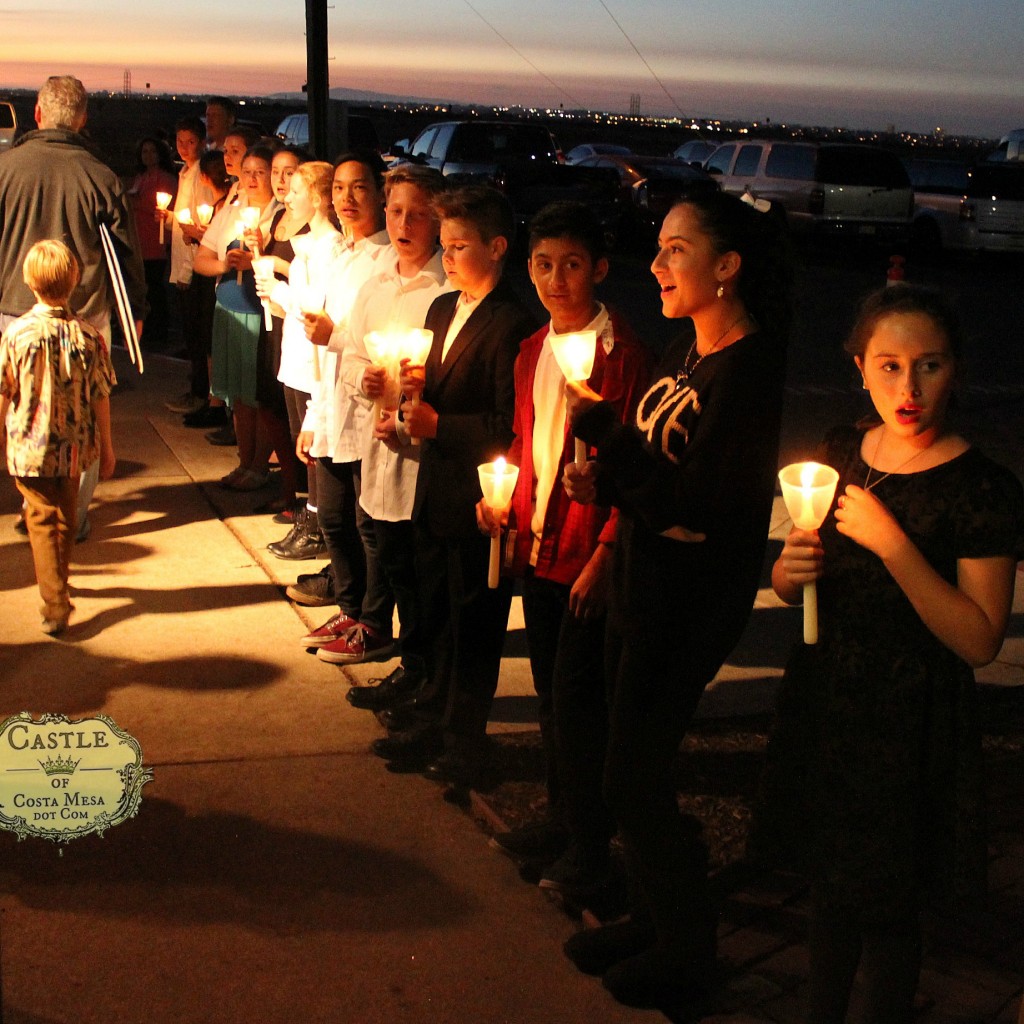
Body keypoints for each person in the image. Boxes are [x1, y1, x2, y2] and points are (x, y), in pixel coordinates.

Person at [758, 284, 1023, 1024]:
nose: (908, 389)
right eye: (889, 366)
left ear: (958, 371)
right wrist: (787, 572)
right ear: (860, 367)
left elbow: (978, 638)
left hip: (911, 725)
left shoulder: (982, 488)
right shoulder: (843, 452)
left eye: (930, 366)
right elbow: (793, 583)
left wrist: (893, 543)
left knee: (890, 911)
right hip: (830, 703)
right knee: (830, 892)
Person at [560, 191, 794, 1011]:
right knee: (624, 766)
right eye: (658, 249)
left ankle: (689, 950)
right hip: (641, 581)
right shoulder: (681, 351)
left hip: (688, 604)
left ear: (727, 267)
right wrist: (608, 475)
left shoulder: (747, 371)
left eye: (676, 250)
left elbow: (696, 503)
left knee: (635, 776)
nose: (656, 265)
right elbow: (652, 477)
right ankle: (654, 919)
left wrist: (610, 442)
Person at [478, 201, 651, 897]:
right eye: (544, 265)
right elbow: (530, 445)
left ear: (600, 270)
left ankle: (591, 845)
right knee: (552, 695)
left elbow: (637, 472)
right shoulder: (532, 351)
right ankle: (560, 816)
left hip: (587, 556)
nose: (556, 281)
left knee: (584, 705)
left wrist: (607, 553)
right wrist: (503, 503)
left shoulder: (626, 358)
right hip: (541, 548)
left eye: (572, 265)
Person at [381, 184, 537, 786]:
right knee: (435, 613)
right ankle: (432, 716)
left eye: (459, 247)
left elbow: (507, 424)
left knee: (474, 621)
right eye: (443, 247)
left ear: (497, 247)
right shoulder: (442, 309)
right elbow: (424, 393)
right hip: (433, 489)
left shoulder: (515, 324)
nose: (447, 259)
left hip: (479, 499)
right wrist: (395, 395)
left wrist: (441, 425)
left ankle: (465, 737)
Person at [320, 164, 451, 682]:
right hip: (380, 449)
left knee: (421, 573)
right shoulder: (375, 286)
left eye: (418, 214)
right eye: (396, 211)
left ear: (437, 220)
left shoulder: (443, 290)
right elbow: (352, 352)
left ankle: (423, 666)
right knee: (389, 554)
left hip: (421, 458)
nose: (404, 224)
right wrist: (365, 382)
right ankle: (402, 650)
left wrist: (408, 396)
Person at [0, 75, 144, 542]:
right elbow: (127, 251)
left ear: (38, 115)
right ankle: (71, 515)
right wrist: (136, 309)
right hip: (85, 313)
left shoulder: (4, 169)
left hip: (15, 310)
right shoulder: (100, 175)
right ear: (83, 120)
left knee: (25, 411)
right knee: (80, 413)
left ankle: (37, 507)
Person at [287, 152, 391, 649]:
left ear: (379, 194)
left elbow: (380, 340)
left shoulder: (387, 258)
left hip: (365, 410)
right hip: (331, 403)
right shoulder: (341, 256)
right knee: (331, 515)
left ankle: (372, 622)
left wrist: (335, 335)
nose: (346, 199)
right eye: (340, 189)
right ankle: (349, 609)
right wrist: (313, 414)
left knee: (365, 522)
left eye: (360, 189)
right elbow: (321, 349)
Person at [0, 240, 116, 634]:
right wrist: (108, 446)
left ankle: (54, 603)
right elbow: (101, 394)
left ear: (29, 282)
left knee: (41, 518)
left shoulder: (17, 334)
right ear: (75, 280)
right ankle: (58, 589)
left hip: (30, 445)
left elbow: (4, 390)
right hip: (75, 447)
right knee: (65, 518)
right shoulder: (89, 336)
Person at [194, 144, 277, 486]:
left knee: (259, 393)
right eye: (248, 172)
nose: (254, 179)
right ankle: (244, 462)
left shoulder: (280, 216)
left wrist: (256, 259)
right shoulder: (231, 212)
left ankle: (260, 465)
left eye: (261, 172)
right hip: (228, 306)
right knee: (239, 395)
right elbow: (202, 258)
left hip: (260, 314)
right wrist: (224, 264)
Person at [164, 115, 211, 416]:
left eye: (191, 141)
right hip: (185, 259)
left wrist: (186, 271)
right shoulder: (184, 173)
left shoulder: (201, 175)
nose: (184, 147)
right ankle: (196, 390)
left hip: (194, 265)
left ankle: (201, 393)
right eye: (180, 141)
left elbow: (198, 225)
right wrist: (167, 217)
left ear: (202, 142)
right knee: (191, 333)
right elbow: (182, 220)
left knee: (198, 335)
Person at [129, 135, 177, 349]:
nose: (148, 155)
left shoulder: (164, 178)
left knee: (155, 287)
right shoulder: (141, 176)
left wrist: (137, 201)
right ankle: (147, 328)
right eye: (144, 152)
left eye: (152, 151)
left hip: (155, 240)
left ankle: (159, 330)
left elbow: (160, 207)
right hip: (141, 238)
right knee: (144, 286)